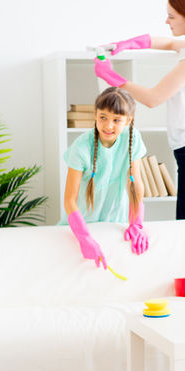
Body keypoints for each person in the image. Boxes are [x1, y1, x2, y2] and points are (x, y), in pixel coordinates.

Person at [94, 0, 185, 220]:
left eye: (172, 16)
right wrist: (127, 44)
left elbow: (154, 98)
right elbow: (165, 43)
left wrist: (114, 79)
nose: (167, 21)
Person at [63, 87, 148, 269]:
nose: (108, 126)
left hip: (115, 221)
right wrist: (84, 237)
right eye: (103, 117)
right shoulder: (81, 148)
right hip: (82, 224)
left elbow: (136, 183)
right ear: (95, 114)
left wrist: (137, 224)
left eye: (116, 120)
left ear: (128, 120)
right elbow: (70, 199)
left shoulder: (133, 138)